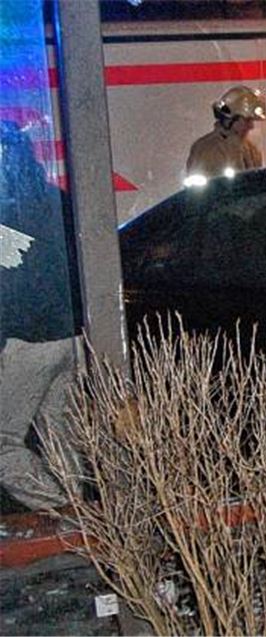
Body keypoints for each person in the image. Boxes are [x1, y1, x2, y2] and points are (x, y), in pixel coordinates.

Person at [0, 120, 80, 511]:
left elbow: (9, 289)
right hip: (70, 336)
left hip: (26, 343)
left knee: (3, 444)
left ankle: (62, 512)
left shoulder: (4, 212)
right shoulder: (56, 199)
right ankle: (83, 517)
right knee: (60, 431)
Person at [184, 85, 266, 185]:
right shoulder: (206, 150)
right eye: (247, 120)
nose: (251, 126)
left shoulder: (251, 149)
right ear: (231, 119)